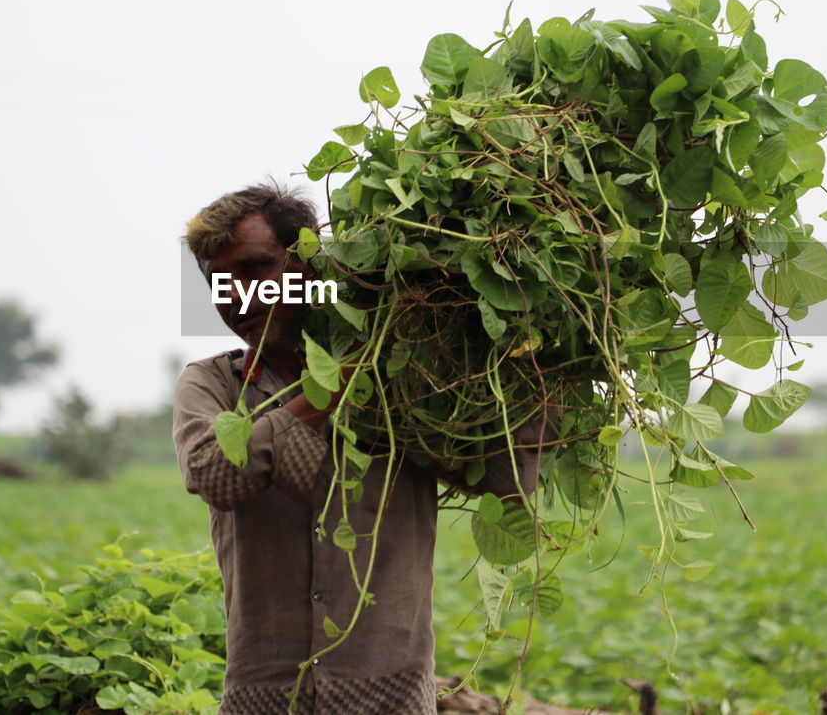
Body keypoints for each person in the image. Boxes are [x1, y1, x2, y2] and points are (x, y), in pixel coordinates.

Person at [174, 181, 552, 715]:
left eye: (255, 270)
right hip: (264, 695)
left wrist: (543, 362)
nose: (236, 293)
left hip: (392, 696)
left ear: (308, 269)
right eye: (219, 281)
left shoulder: (406, 379)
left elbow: (503, 479)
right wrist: (330, 388)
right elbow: (213, 475)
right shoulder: (213, 385)